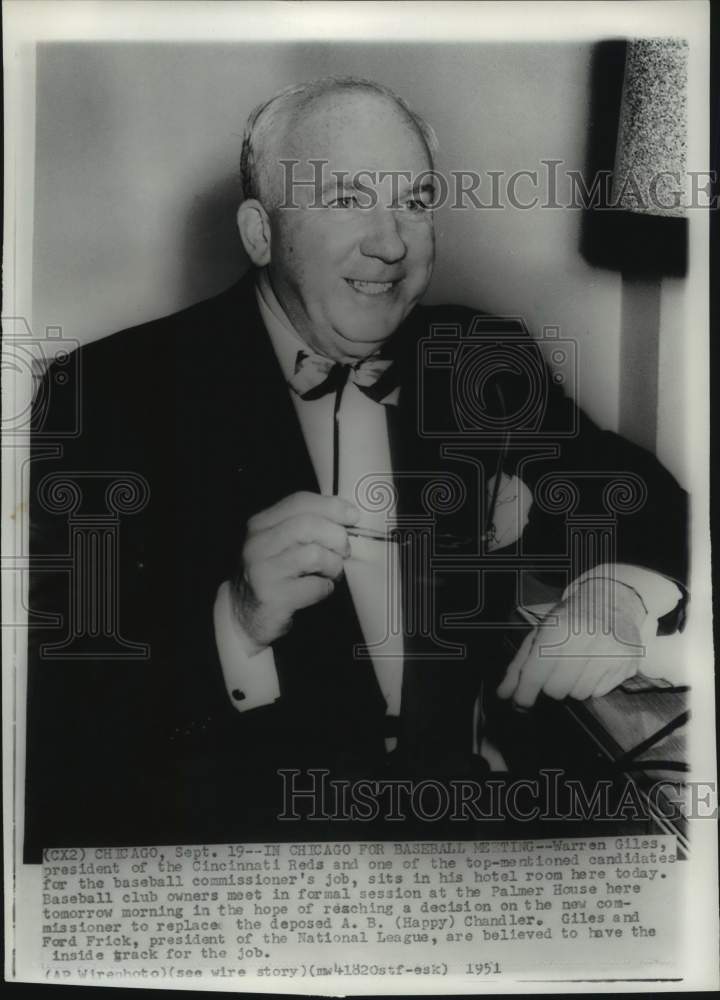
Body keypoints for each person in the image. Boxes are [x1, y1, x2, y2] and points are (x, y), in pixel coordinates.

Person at [24, 77, 687, 857]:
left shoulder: (481, 360)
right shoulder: (108, 391)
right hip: (243, 865)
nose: (392, 243)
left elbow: (653, 504)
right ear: (260, 232)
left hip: (463, 845)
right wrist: (235, 626)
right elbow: (60, 711)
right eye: (345, 199)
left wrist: (615, 593)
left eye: (414, 200)